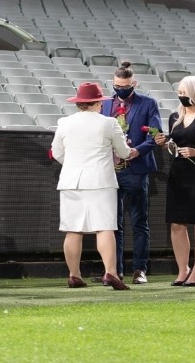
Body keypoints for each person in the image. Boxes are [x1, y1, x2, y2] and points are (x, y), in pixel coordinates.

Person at [51, 82, 133, 290]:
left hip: (71, 181)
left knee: (72, 230)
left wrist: (73, 165)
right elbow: (123, 153)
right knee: (104, 227)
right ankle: (111, 273)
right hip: (100, 181)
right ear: (98, 102)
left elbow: (57, 153)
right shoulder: (109, 123)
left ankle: (74, 275)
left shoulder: (64, 122)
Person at [97, 61, 162, 285]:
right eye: (116, 85)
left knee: (139, 221)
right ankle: (114, 271)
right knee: (112, 223)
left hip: (135, 170)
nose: (120, 89)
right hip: (109, 171)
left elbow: (155, 135)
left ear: (133, 83)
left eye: (124, 85)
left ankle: (139, 270)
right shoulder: (105, 105)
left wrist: (136, 151)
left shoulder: (148, 104)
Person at [154, 76, 195, 287]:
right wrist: (164, 144)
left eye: (185, 92)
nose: (181, 96)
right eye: (180, 92)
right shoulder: (175, 116)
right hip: (178, 173)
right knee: (176, 223)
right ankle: (183, 270)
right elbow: (174, 146)